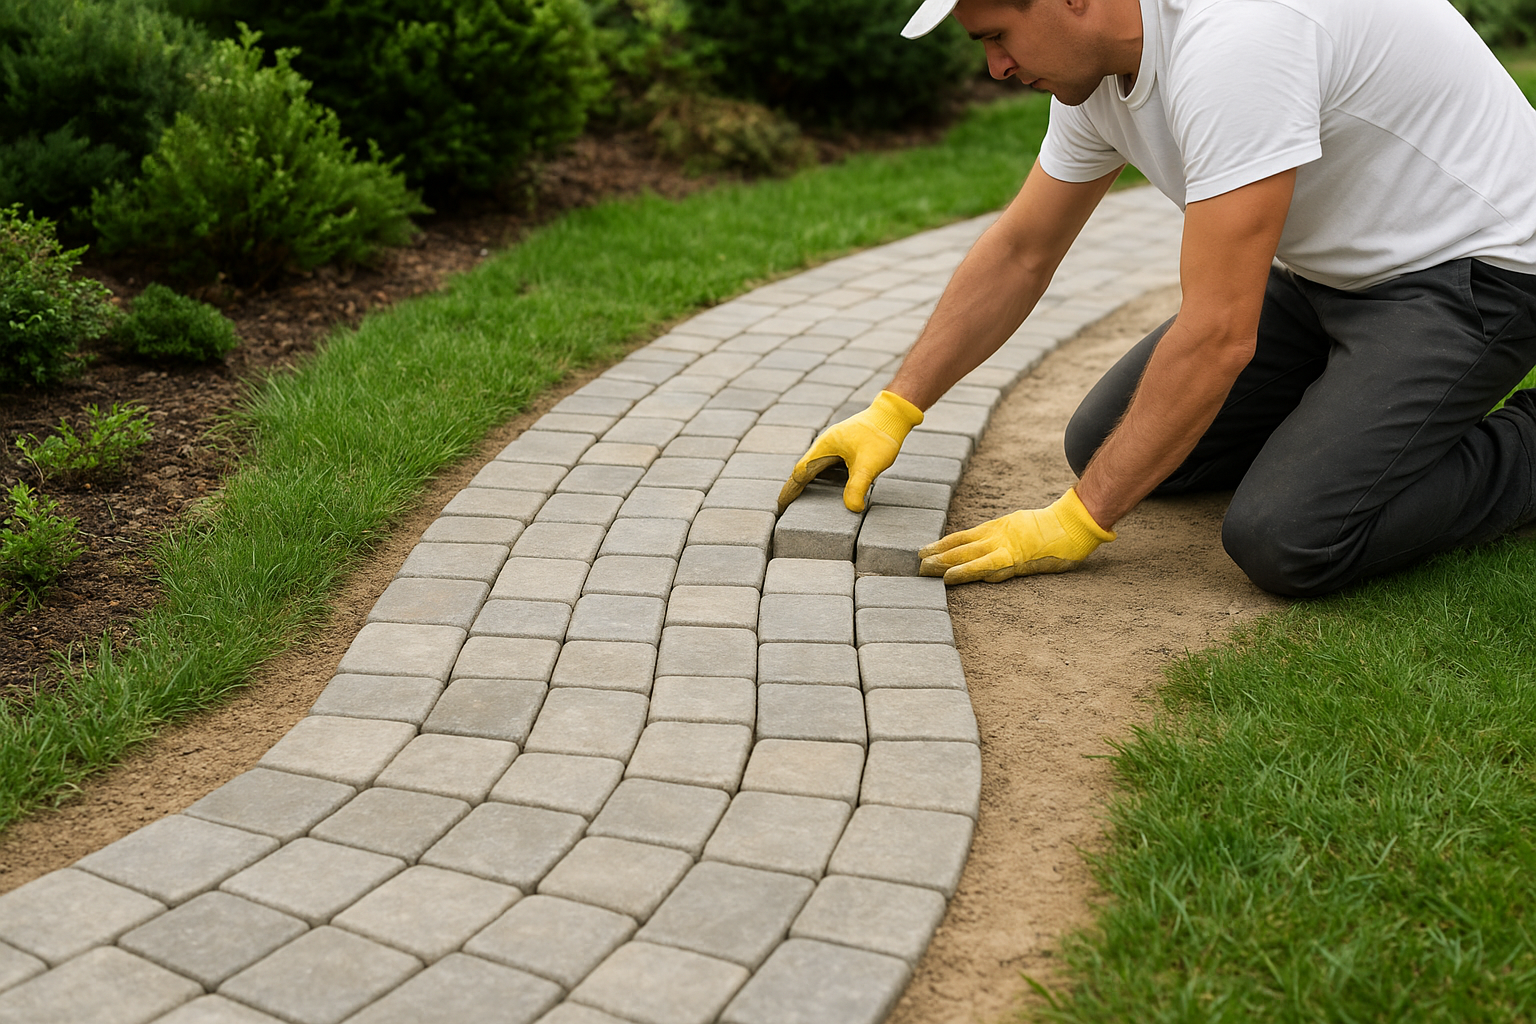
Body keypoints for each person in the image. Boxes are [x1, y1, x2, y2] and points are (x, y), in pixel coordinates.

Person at [775, 0, 1536, 597]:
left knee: (1288, 537)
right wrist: (894, 409)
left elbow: (1219, 334)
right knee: (1102, 443)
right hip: (1332, 273)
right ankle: (1356, 414)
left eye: (997, 36)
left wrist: (1079, 521)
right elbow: (1022, 251)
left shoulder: (1237, 42)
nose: (995, 67)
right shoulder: (1097, 78)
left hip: (1477, 270)